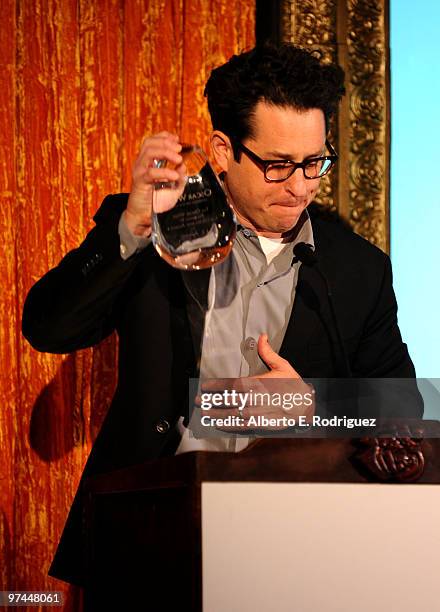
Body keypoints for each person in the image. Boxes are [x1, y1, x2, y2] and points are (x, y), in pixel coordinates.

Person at [22, 43, 422, 590]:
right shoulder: (155, 225)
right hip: (149, 531)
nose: (301, 185)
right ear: (222, 150)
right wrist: (133, 229)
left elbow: (404, 409)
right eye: (278, 164)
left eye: (315, 162)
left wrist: (315, 406)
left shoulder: (359, 269)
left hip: (296, 547)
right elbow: (48, 327)